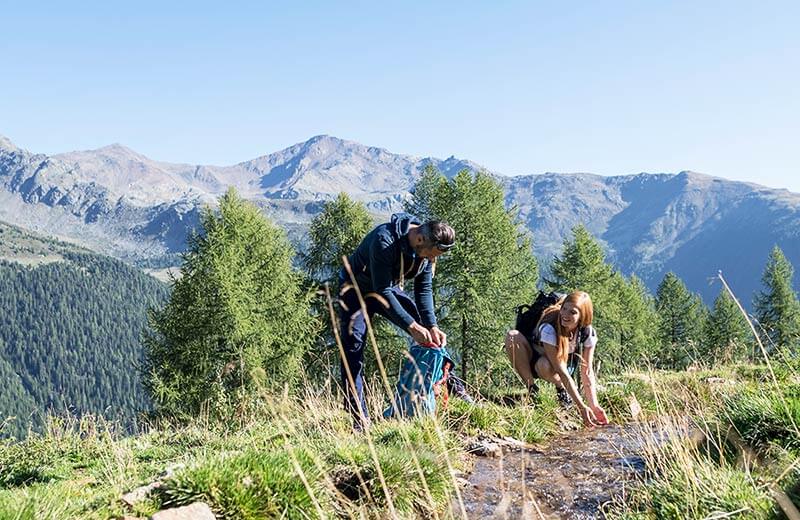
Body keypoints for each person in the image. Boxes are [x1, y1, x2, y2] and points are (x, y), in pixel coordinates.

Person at [338, 212, 466, 431]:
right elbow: (383, 290)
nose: (430, 260)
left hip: (386, 288)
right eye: (430, 255)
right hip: (356, 291)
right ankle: (360, 421)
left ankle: (456, 390)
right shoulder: (384, 239)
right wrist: (411, 326)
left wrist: (431, 325)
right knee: (353, 350)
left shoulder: (426, 249)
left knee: (431, 337)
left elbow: (423, 289)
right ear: (419, 239)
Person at [505, 290, 609, 427]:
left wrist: (594, 405)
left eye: (573, 312)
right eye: (564, 309)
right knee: (515, 339)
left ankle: (563, 390)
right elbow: (561, 371)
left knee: (546, 365)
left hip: (566, 363)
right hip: (536, 360)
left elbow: (587, 371)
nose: (565, 315)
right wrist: (582, 407)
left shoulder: (587, 332)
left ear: (583, 316)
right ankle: (533, 389)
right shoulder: (549, 327)